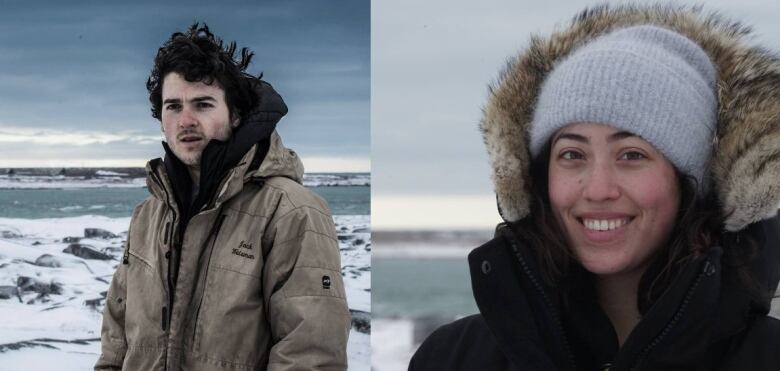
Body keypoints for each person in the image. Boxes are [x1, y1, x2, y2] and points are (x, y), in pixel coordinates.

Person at [410, 4, 780, 370]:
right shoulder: (452, 357)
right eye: (572, 154)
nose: (599, 189)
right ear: (539, 179)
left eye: (632, 155)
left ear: (689, 184)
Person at [94, 24, 350, 371]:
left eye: (202, 104)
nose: (185, 120)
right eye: (173, 106)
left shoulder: (291, 211)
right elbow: (117, 333)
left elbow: (311, 352)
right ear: (160, 120)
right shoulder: (149, 214)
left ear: (236, 114)